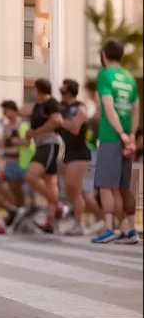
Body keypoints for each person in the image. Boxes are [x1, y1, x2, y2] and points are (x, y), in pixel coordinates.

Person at [91, 38, 140, 245]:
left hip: (111, 136)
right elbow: (136, 109)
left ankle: (109, 228)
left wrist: (119, 133)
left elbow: (107, 107)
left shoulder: (104, 76)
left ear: (103, 55)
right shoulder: (130, 78)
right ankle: (129, 231)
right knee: (122, 186)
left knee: (105, 185)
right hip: (128, 136)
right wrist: (131, 135)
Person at [24, 78, 65, 234]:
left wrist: (37, 132)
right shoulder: (37, 107)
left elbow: (57, 120)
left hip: (50, 144)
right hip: (41, 144)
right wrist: (30, 134)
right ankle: (49, 222)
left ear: (37, 89)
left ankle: (59, 205)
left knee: (31, 176)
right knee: (50, 183)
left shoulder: (51, 103)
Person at [59, 79, 96, 236]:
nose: (61, 91)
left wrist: (59, 122)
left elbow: (75, 128)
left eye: (63, 89)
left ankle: (79, 223)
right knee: (71, 190)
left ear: (69, 91)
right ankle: (82, 221)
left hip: (80, 153)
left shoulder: (80, 107)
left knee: (74, 189)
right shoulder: (62, 109)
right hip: (68, 152)